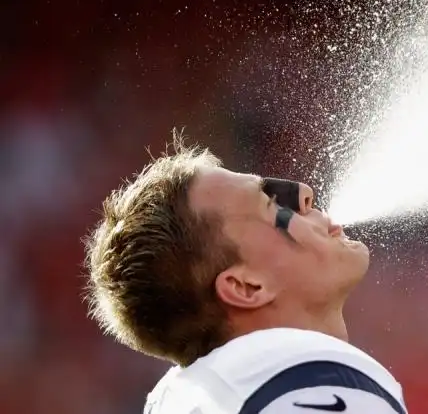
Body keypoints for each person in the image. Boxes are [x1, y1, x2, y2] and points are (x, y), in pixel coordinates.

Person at [83, 132, 408, 413]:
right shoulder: (311, 379)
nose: (304, 195)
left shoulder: (187, 396)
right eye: (271, 204)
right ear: (246, 287)